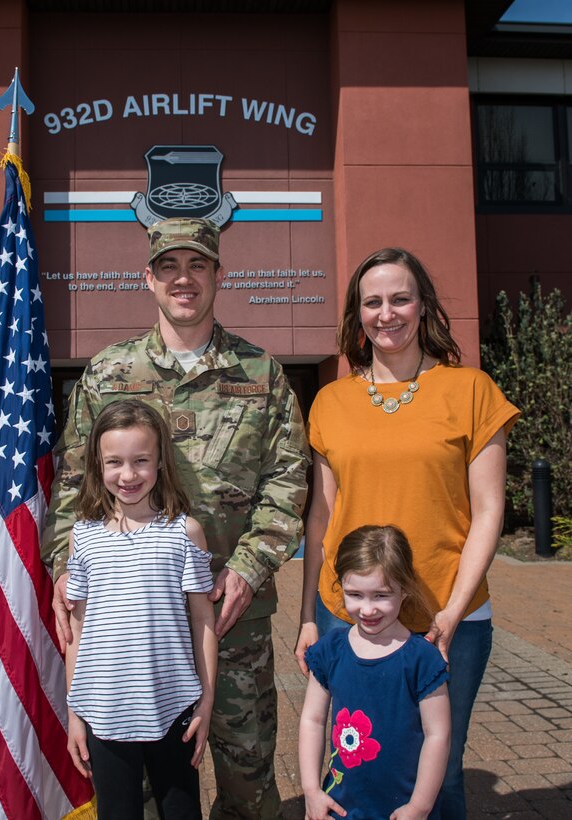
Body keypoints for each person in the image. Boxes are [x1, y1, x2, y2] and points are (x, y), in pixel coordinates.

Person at [43, 217, 311, 819]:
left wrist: (247, 568)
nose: (182, 279)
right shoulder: (107, 373)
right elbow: (71, 486)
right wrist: (65, 567)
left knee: (246, 781)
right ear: (149, 278)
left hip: (230, 614)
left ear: (219, 274)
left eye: (197, 265)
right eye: (169, 266)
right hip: (128, 627)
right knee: (132, 792)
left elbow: (288, 482)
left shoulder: (261, 375)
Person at [294, 247, 520, 819]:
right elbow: (320, 520)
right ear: (357, 314)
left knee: (438, 771)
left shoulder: (471, 391)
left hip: (451, 615)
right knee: (353, 758)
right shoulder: (330, 401)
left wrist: (450, 610)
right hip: (349, 614)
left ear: (424, 307)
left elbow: (489, 511)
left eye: (400, 298)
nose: (386, 313)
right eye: (373, 302)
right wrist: (305, 618)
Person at [65, 400, 216, 819]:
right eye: (114, 462)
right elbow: (76, 631)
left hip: (174, 711)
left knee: (182, 811)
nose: (128, 475)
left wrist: (205, 703)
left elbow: (204, 621)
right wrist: (74, 714)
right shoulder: (83, 537)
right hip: (104, 715)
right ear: (98, 464)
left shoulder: (185, 532)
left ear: (161, 463)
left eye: (141, 461)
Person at [299, 525, 451, 820]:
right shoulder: (330, 650)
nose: (367, 609)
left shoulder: (422, 659)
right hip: (342, 805)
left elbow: (438, 735)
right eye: (354, 594)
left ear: (405, 589)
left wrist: (419, 807)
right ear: (339, 586)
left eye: (381, 595)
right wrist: (311, 791)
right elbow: (313, 719)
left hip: (404, 809)